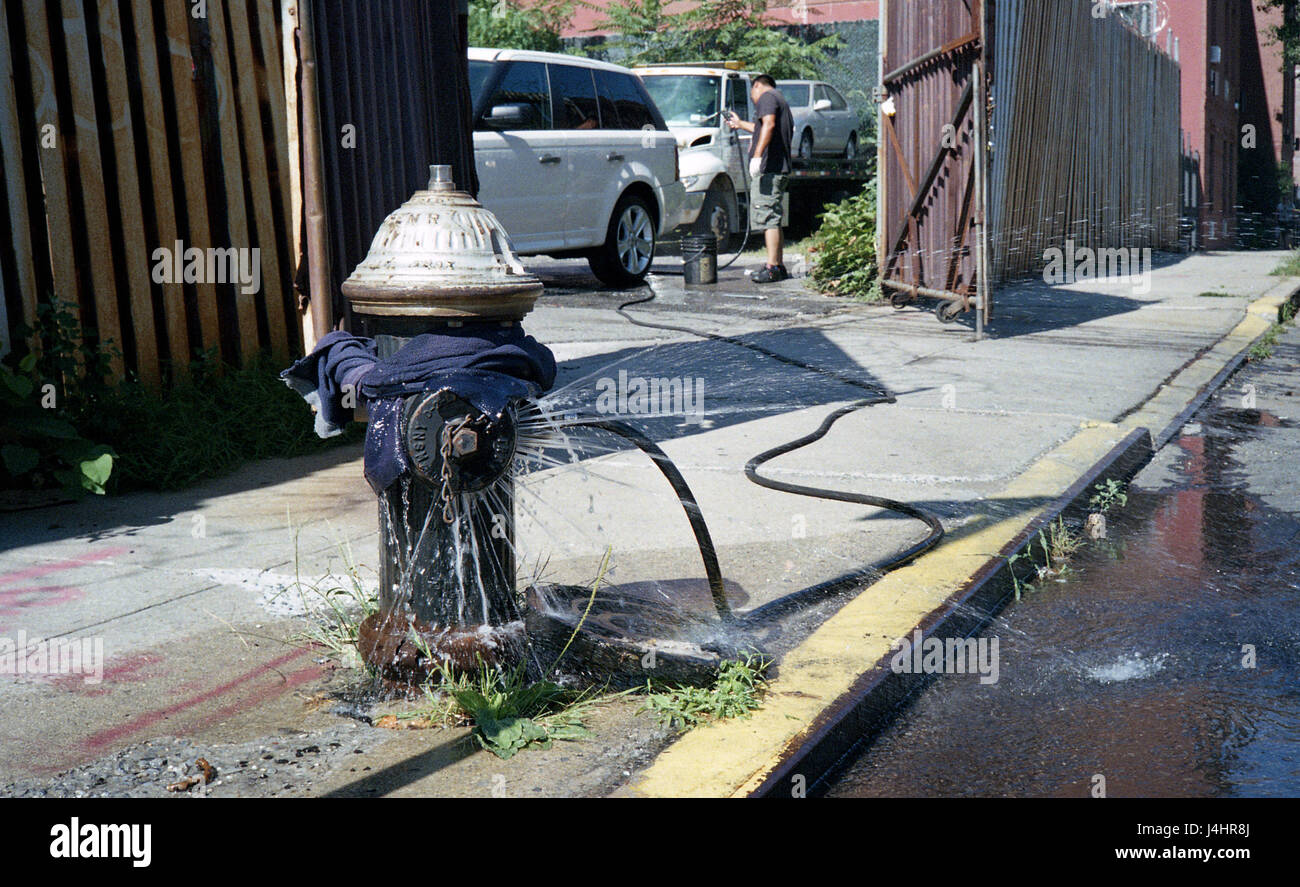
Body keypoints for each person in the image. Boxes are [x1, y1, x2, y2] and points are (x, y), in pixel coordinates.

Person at [726, 74, 794, 283]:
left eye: (752, 94)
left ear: (757, 86)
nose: (754, 99)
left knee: (767, 217)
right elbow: (761, 127)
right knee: (774, 217)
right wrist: (739, 124)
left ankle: (772, 268)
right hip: (779, 168)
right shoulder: (779, 99)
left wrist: (757, 155)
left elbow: (769, 125)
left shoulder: (766, 96)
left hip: (769, 169)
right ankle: (779, 266)